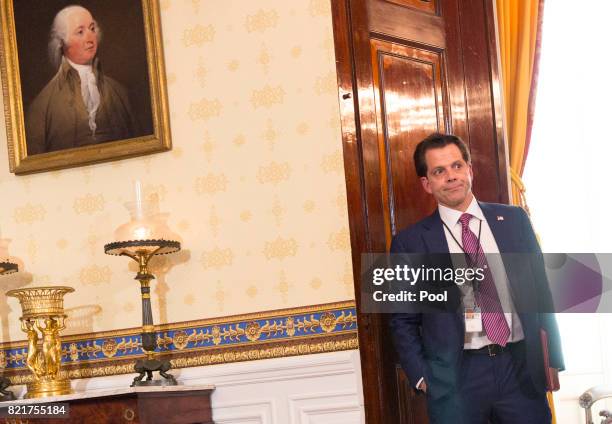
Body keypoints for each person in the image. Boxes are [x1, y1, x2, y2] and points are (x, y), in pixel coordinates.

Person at [389, 133, 564, 423]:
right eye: (439, 171)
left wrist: (553, 359)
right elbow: (401, 319)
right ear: (427, 184)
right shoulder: (409, 243)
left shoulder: (514, 221)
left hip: (519, 367)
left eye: (457, 166)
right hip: (455, 378)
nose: (451, 176)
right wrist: (421, 377)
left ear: (470, 170)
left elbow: (541, 292)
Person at [25, 5, 137, 155]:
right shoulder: (43, 106)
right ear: (61, 42)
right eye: (80, 32)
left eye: (92, 29)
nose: (90, 38)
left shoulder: (120, 93)